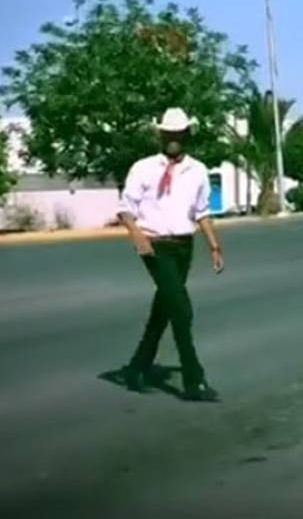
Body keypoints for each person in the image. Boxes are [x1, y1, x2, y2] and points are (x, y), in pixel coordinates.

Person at [118, 108, 224, 402]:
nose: (173, 140)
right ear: (161, 135)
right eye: (168, 134)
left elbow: (202, 212)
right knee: (181, 311)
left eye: (178, 135)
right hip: (154, 247)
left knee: (163, 310)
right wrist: (137, 236)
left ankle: (137, 367)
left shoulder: (198, 171)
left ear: (186, 136)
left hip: (183, 247)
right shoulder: (143, 168)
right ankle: (194, 380)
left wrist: (214, 246)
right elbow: (125, 207)